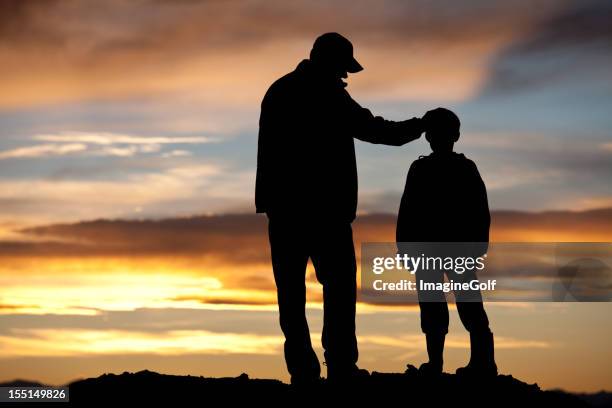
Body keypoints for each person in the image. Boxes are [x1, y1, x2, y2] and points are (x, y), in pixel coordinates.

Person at [256, 32, 424, 385]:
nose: (344, 76)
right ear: (330, 63)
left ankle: (304, 371)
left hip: (284, 210)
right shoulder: (328, 95)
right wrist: (420, 126)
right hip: (325, 213)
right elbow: (376, 130)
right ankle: (342, 368)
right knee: (339, 290)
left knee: (291, 294)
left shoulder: (279, 90)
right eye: (342, 69)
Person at [396, 107, 497, 377]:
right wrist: (406, 247)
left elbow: (479, 211)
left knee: (465, 305)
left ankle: (481, 363)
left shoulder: (460, 169)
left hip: (452, 249)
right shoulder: (424, 168)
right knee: (439, 306)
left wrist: (477, 246)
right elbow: (408, 211)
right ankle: (442, 364)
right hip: (432, 250)